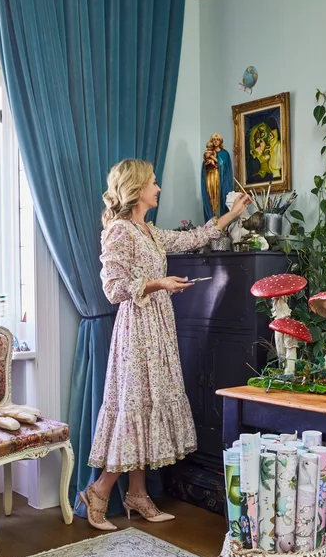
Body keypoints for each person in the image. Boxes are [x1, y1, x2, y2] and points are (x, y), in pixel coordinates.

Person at [77, 158, 252, 531]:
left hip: (157, 330)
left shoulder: (149, 232)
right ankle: (99, 490)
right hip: (136, 332)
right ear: (138, 188)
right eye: (154, 182)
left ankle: (137, 494)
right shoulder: (120, 231)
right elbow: (113, 289)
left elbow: (193, 238)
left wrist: (232, 214)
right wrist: (159, 284)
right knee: (135, 408)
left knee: (147, 409)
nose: (158, 188)